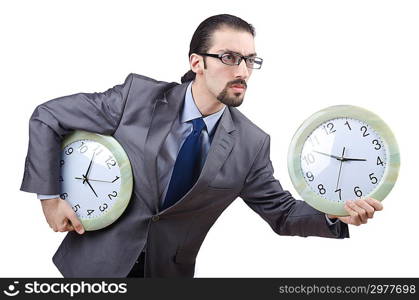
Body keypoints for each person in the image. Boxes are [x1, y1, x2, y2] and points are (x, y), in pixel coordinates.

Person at [20, 14, 383, 278]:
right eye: (229, 58)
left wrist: (333, 213)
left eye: (249, 60)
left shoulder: (251, 144)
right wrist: (49, 199)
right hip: (92, 270)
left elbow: (283, 213)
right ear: (197, 62)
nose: (242, 70)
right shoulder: (137, 97)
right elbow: (48, 116)